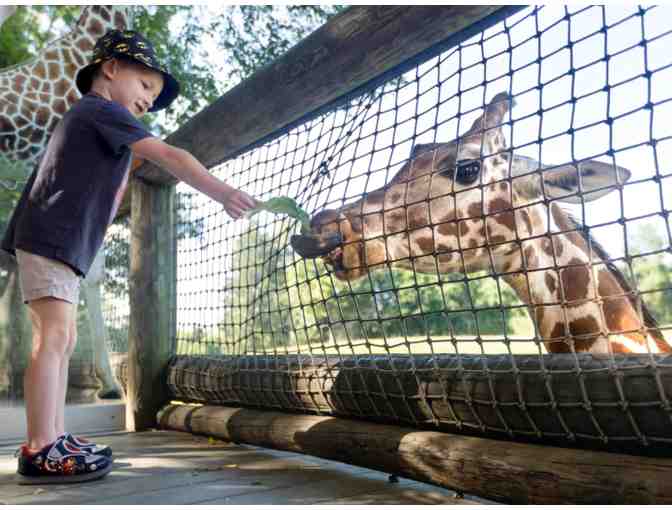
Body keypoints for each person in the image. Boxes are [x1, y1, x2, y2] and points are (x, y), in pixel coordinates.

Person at [1, 29, 258, 484]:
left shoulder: (96, 119)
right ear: (111, 69)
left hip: (56, 240)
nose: (149, 101)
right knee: (55, 339)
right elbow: (166, 154)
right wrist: (223, 192)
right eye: (145, 86)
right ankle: (40, 447)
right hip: (51, 237)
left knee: (61, 336)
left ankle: (54, 435)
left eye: (155, 96)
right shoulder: (100, 110)